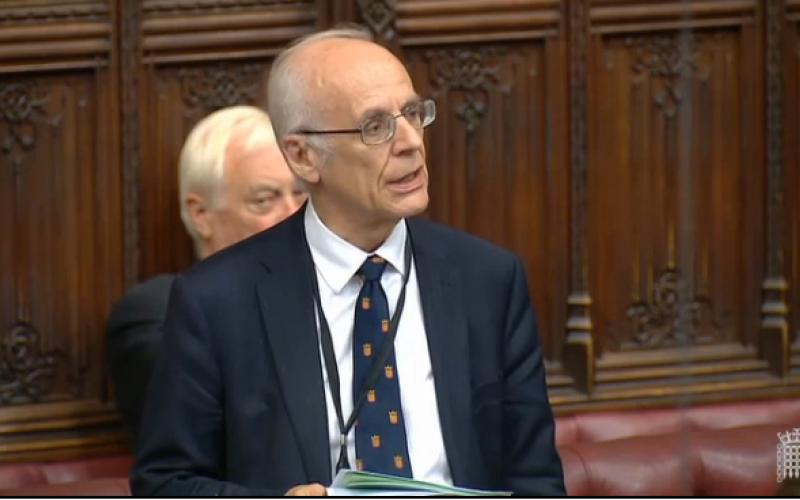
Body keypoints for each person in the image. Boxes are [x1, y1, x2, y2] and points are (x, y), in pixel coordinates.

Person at [131, 26, 564, 496]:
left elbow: (536, 479)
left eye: (414, 114)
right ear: (303, 156)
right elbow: (163, 483)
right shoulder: (216, 301)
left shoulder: (488, 280)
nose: (410, 143)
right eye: (375, 126)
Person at [106, 105, 306, 445]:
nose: (293, 214)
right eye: (264, 200)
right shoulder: (156, 311)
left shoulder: (345, 294)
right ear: (201, 215)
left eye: (301, 194)